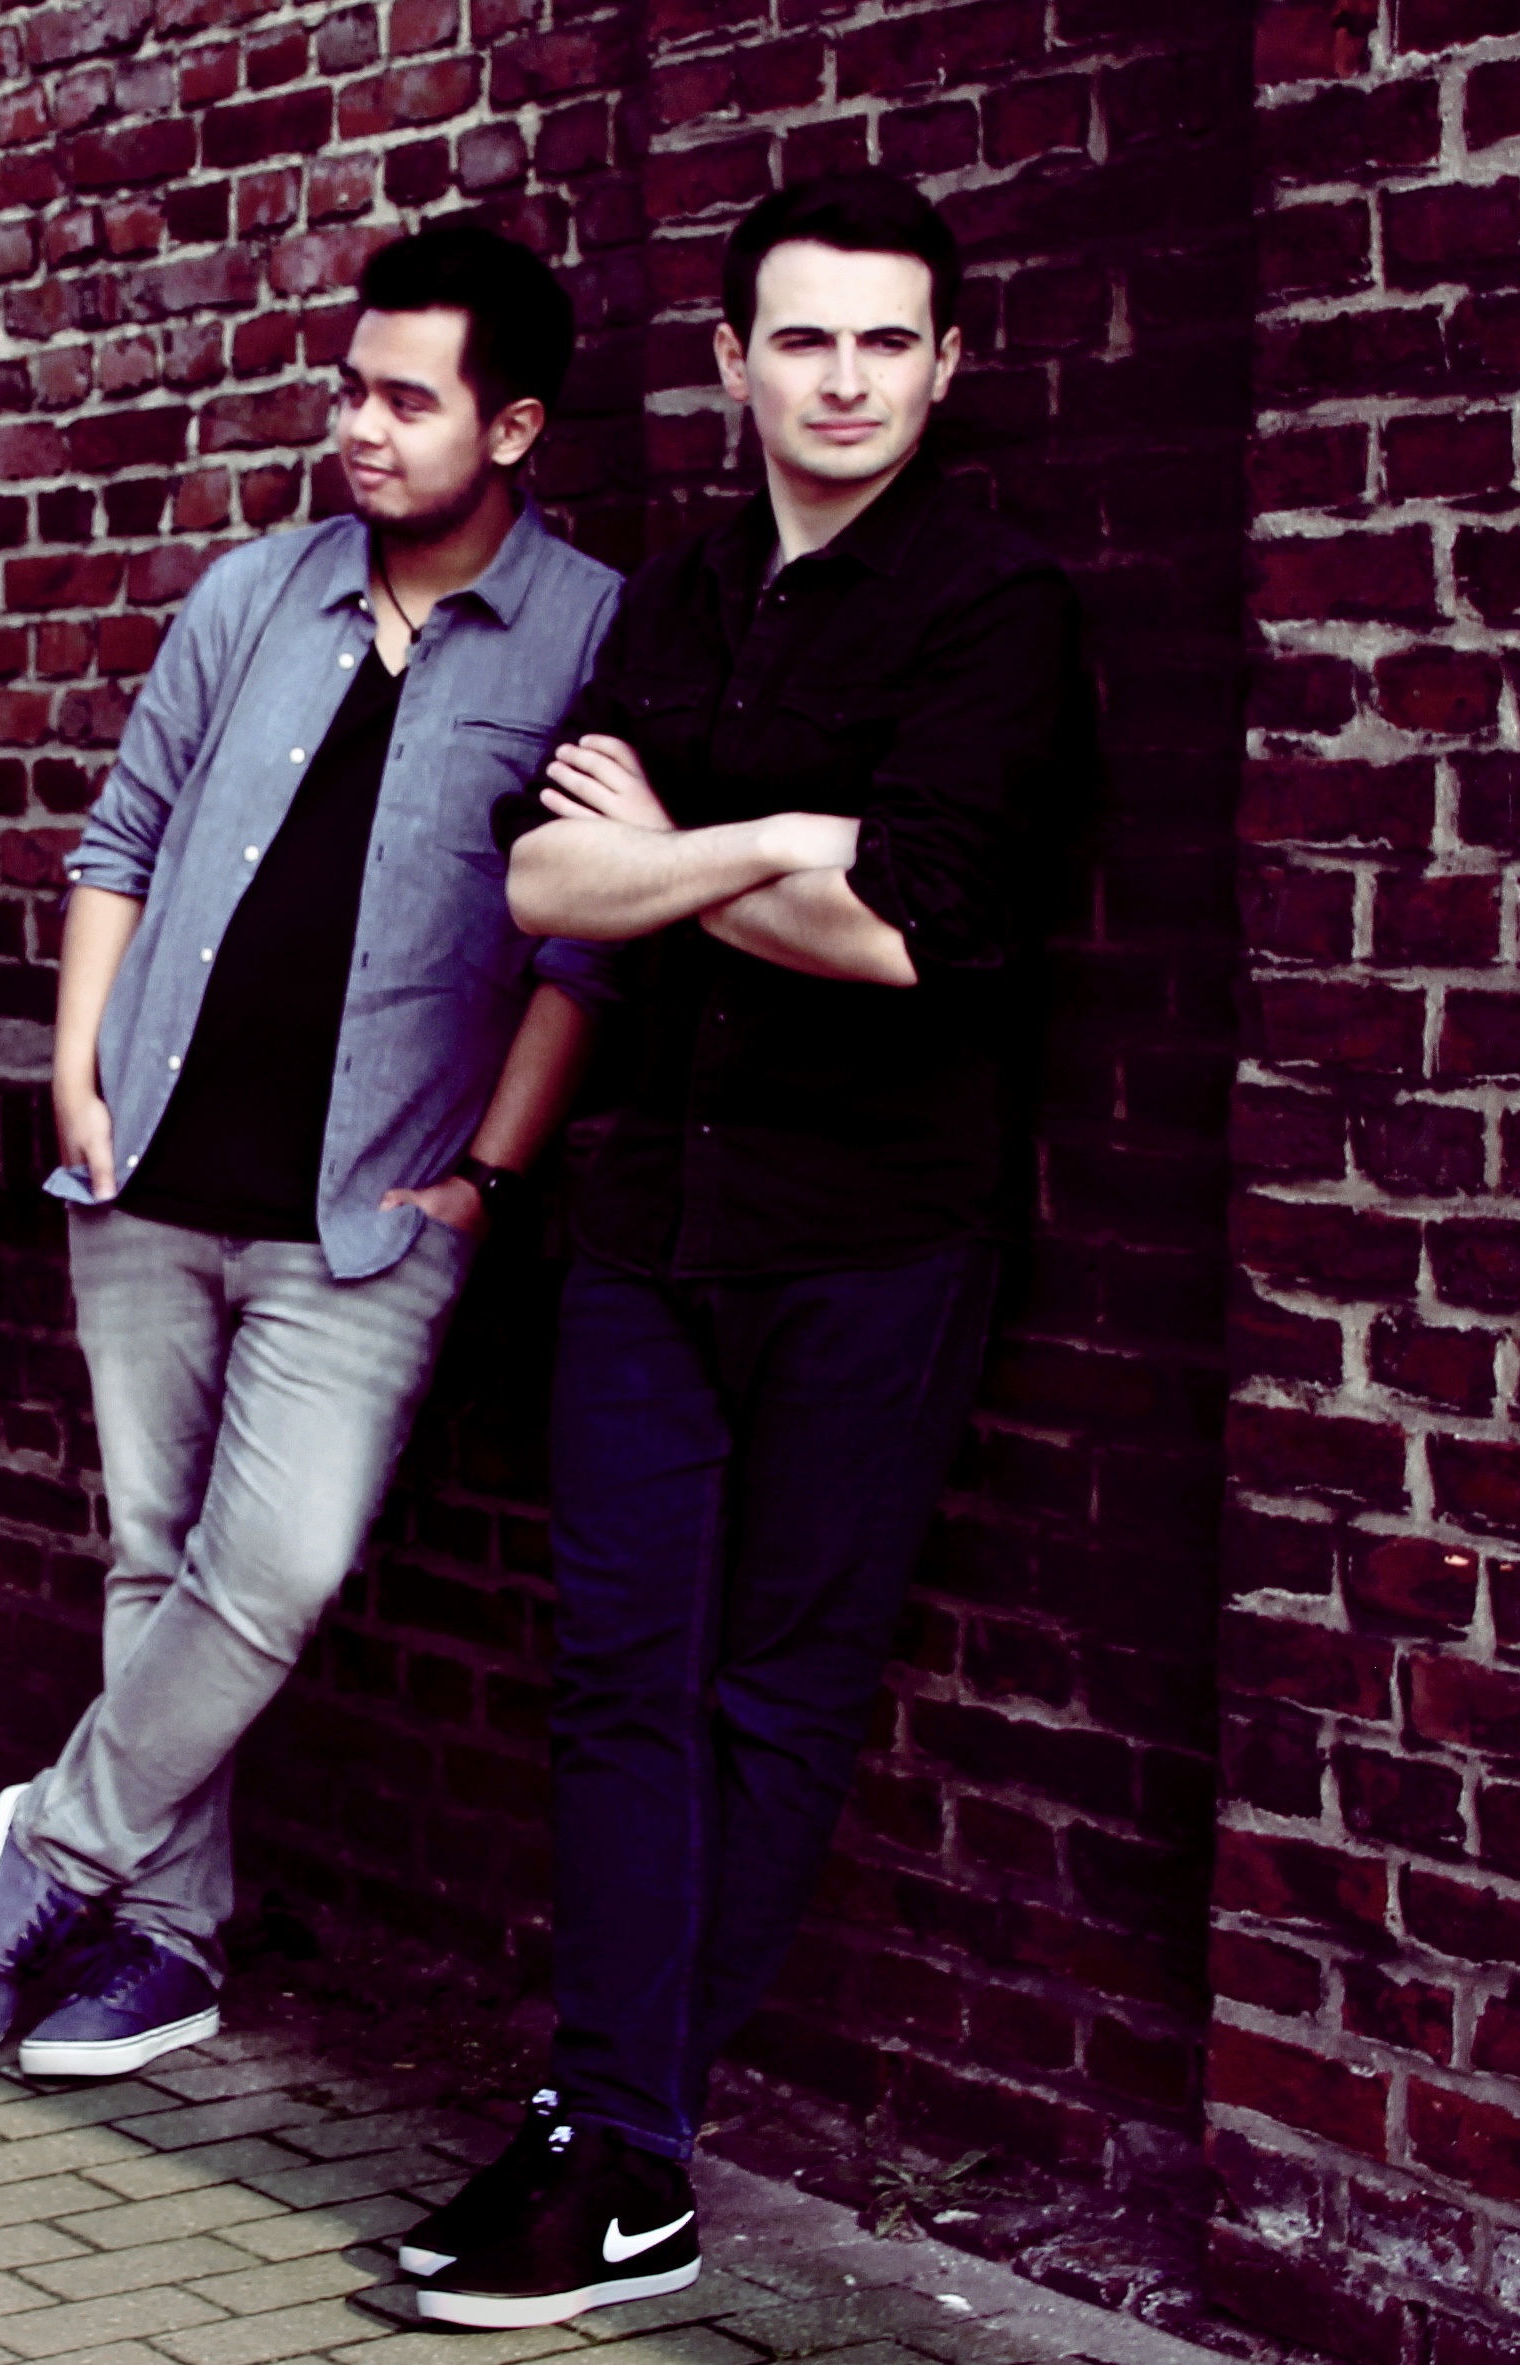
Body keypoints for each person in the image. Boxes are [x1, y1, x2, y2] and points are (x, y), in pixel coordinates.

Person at [402, 171, 1095, 2329]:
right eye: (802, 337)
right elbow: (543, 886)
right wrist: (782, 838)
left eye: (886, 340)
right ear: (731, 362)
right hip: (648, 1226)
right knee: (615, 1679)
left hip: (873, 1236)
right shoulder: (679, 601)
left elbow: (906, 937)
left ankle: (614, 2144)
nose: (844, 379)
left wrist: (680, 854)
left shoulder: (992, 606)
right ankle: (612, 2140)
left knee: (772, 1693)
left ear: (944, 363)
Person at [0, 225, 620, 2080]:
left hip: (370, 1211)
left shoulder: (586, 633)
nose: (359, 428)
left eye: (407, 399)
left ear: (513, 425)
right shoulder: (253, 592)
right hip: (149, 1164)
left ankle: (56, 1843)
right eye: (348, 388)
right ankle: (164, 1944)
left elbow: (584, 955)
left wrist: (482, 1179)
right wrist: (74, 1079)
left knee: (276, 1567)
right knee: (152, 1564)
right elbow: (120, 841)